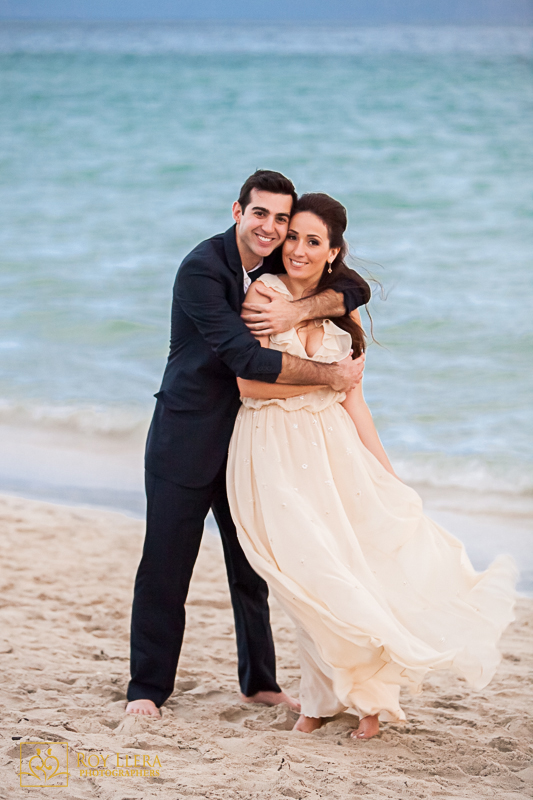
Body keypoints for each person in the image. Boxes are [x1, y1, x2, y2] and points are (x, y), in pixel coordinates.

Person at [227, 192, 517, 739]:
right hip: (271, 449)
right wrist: (324, 378)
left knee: (354, 573)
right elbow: (246, 383)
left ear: (334, 251)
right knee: (308, 581)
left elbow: (355, 401)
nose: (298, 249)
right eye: (293, 237)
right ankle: (317, 700)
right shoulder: (264, 294)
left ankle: (369, 704)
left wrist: (385, 472)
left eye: (314, 241)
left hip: (335, 452)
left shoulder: (342, 306)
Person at [126, 171, 371, 716]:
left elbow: (355, 287)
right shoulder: (201, 269)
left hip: (249, 443)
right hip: (185, 438)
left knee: (252, 567)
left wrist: (297, 310)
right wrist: (330, 376)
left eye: (281, 220)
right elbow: (247, 360)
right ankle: (146, 689)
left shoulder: (272, 267)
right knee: (166, 566)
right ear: (238, 210)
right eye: (260, 214)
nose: (271, 228)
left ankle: (258, 681)